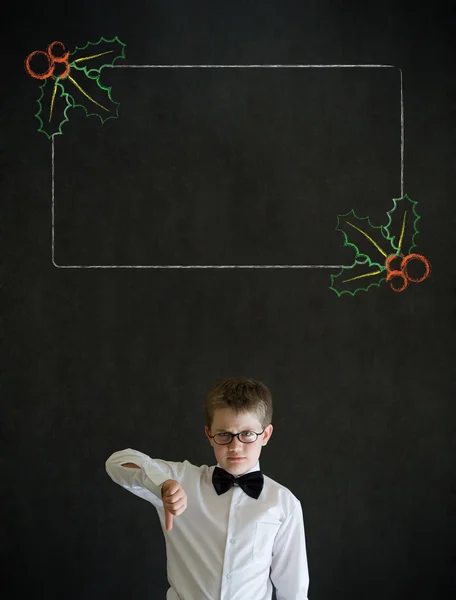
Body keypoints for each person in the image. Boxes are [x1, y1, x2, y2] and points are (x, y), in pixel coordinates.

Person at [105, 376, 310, 599]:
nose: (235, 447)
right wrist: (161, 484)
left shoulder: (283, 502)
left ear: (266, 435)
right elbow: (116, 463)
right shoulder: (182, 479)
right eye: (224, 434)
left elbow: (294, 590)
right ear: (209, 435)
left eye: (247, 434)